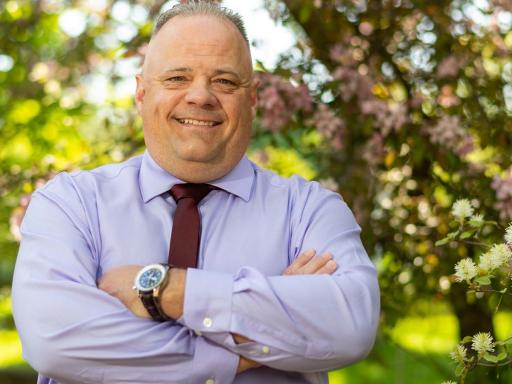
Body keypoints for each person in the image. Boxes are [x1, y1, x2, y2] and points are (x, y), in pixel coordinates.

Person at [12, 2, 380, 383]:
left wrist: (170, 291)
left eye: (224, 81)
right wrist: (258, 337)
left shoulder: (310, 210)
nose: (201, 96)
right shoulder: (69, 204)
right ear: (141, 92)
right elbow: (55, 341)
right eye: (176, 78)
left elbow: (349, 326)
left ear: (251, 98)